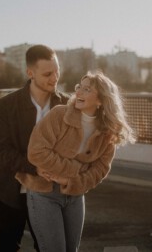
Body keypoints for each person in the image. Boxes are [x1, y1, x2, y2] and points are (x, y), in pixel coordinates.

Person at [16, 70, 136, 252]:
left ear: (101, 100)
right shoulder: (59, 115)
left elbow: (101, 169)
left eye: (87, 90)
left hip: (75, 195)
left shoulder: (108, 132)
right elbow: (36, 152)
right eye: (79, 87)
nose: (78, 92)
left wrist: (72, 181)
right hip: (43, 193)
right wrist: (75, 169)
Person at [0, 44, 70, 252]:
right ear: (30, 73)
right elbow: (0, 149)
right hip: (10, 192)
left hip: (51, 194)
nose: (54, 78)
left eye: (57, 72)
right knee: (8, 246)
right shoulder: (5, 106)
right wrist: (34, 168)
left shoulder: (68, 106)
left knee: (48, 248)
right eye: (47, 74)